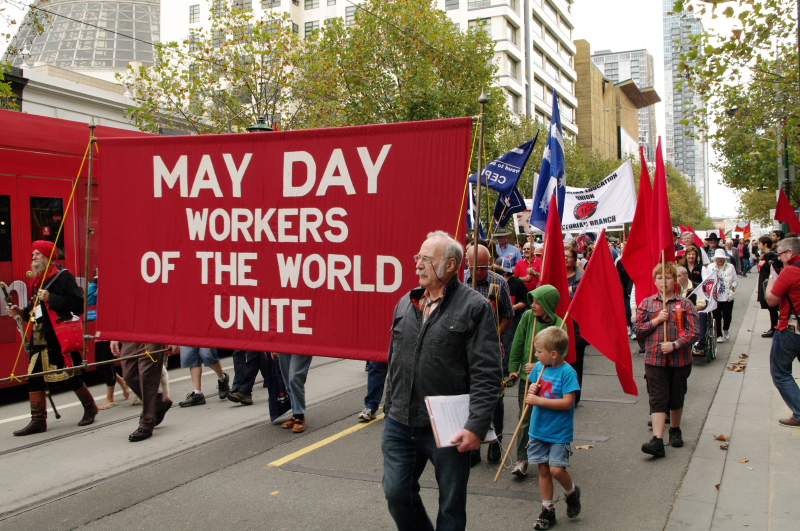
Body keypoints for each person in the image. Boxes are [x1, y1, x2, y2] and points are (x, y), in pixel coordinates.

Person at [382, 231, 501, 531]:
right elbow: (395, 359)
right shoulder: (406, 303)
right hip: (399, 421)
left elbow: (487, 374)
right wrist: (388, 405)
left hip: (449, 427)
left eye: (426, 259)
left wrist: (476, 426)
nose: (418, 265)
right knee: (396, 493)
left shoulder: (475, 307)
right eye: (417, 258)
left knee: (450, 505)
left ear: (450, 265)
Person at [9, 241, 98, 436]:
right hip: (39, 336)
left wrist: (52, 298)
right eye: (32, 254)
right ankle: (38, 420)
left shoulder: (63, 277)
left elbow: (78, 303)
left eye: (37, 254)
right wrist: (21, 312)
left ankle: (90, 407)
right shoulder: (37, 280)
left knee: (69, 374)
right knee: (34, 377)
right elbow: (35, 308)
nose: (33, 258)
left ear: (48, 257)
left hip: (58, 336)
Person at [635, 261, 700, 457]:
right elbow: (638, 330)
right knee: (657, 398)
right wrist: (655, 320)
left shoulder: (685, 304)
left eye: (668, 277)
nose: (664, 282)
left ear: (675, 280)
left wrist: (675, 345)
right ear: (654, 281)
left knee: (676, 396)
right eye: (660, 277)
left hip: (679, 360)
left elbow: (694, 332)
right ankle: (657, 439)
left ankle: (675, 429)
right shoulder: (647, 304)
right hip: (654, 360)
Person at [525, 327, 582, 530]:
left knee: (556, 469)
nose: (536, 355)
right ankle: (547, 509)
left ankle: (571, 492)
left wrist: (538, 400)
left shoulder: (568, 373)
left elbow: (568, 403)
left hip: (559, 432)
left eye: (539, 351)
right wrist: (532, 388)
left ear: (554, 354)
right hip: (538, 429)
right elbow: (533, 388)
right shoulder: (541, 369)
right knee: (543, 469)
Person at [507, 285, 564, 479]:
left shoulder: (559, 325)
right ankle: (522, 459)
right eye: (532, 300)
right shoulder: (527, 317)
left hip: (549, 381)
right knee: (525, 418)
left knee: (547, 418)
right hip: (526, 379)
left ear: (548, 304)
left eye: (538, 302)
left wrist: (540, 367)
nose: (533, 304)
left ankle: (547, 454)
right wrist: (514, 368)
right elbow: (518, 342)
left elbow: (561, 357)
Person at [464, 245, 513, 465]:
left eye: (483, 267)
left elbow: (508, 315)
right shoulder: (459, 282)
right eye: (475, 267)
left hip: (491, 350)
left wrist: (495, 335)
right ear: (467, 263)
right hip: (464, 350)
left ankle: (496, 441)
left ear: (490, 261)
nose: (479, 272)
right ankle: (473, 443)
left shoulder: (498, 282)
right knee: (468, 397)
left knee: (495, 398)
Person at [764, 237, 800, 428]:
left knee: (780, 373)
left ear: (790, 253)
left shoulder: (790, 272)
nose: (779, 257)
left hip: (791, 330)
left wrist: (771, 278)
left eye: (781, 253)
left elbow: (772, 300)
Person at [111, 341, 176, 441]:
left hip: (152, 334)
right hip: (129, 336)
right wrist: (114, 338)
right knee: (129, 376)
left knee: (147, 378)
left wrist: (173, 339)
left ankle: (146, 424)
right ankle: (160, 400)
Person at [87, 275, 130, 409]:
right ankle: (122, 381)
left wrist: (116, 333)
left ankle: (110, 398)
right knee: (100, 366)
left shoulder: (116, 287)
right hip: (101, 330)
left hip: (114, 330)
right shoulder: (99, 287)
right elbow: (89, 301)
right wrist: (94, 283)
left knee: (107, 364)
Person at [276, 352, 313, 433]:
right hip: (283, 343)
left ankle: (299, 415)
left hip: (302, 343)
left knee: (294, 378)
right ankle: (295, 413)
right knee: (287, 379)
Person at [707, 248, 738, 343]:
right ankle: (719, 334)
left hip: (727, 295)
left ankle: (726, 329)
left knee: (727, 315)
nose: (720, 259)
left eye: (722, 258)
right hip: (715, 296)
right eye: (718, 258)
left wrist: (733, 287)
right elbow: (707, 280)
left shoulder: (730, 267)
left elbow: (735, 280)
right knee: (716, 316)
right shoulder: (711, 267)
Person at [758, 235, 782, 338]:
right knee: (771, 308)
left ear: (765, 244)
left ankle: (774, 328)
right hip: (766, 282)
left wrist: (765, 263)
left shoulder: (771, 255)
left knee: (772, 308)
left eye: (760, 243)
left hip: (769, 283)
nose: (759, 245)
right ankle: (773, 327)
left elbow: (774, 266)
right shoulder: (766, 255)